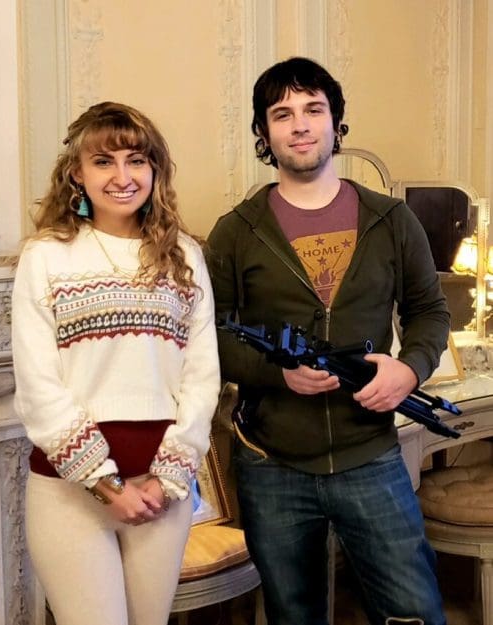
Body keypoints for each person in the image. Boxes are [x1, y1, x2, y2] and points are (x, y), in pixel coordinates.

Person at [205, 57, 449, 625]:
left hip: (372, 456)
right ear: (264, 134)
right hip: (272, 464)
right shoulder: (235, 231)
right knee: (293, 614)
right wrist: (276, 373)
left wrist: (409, 370)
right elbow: (209, 335)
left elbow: (428, 313)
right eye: (282, 114)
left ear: (336, 122)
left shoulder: (391, 219)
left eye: (314, 109)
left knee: (414, 611)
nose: (300, 124)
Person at [11, 101, 220, 625]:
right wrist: (107, 484)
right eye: (104, 162)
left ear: (155, 170)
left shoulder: (185, 256)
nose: (122, 176)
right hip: (69, 491)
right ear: (77, 174)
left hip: (161, 490)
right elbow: (37, 385)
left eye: (136, 160)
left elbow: (202, 376)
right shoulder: (46, 256)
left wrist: (168, 475)